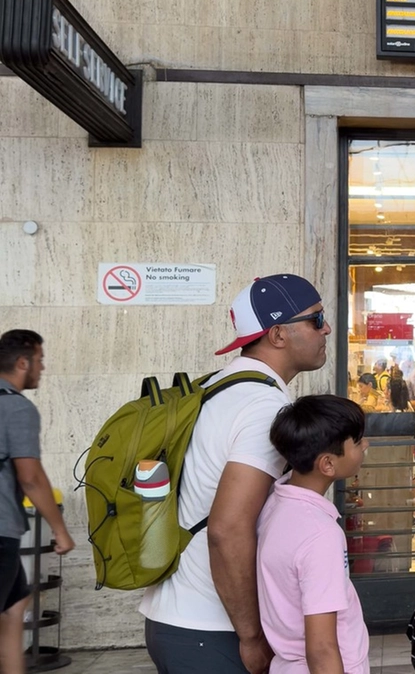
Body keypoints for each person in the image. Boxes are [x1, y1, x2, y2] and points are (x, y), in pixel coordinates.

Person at [141, 273, 331, 674]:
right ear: (278, 334)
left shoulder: (219, 385)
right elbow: (227, 528)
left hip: (178, 616)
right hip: (212, 628)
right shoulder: (262, 405)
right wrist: (251, 636)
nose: (326, 328)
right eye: (316, 319)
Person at [257, 395, 370, 674]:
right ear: (328, 464)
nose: (365, 445)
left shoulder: (276, 502)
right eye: (356, 442)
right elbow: (321, 648)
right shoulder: (321, 535)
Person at [0, 330, 74, 674]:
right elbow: (30, 476)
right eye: (40, 361)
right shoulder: (16, 407)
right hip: (1, 531)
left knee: (15, 608)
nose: (42, 369)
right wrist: (60, 530)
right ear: (22, 363)